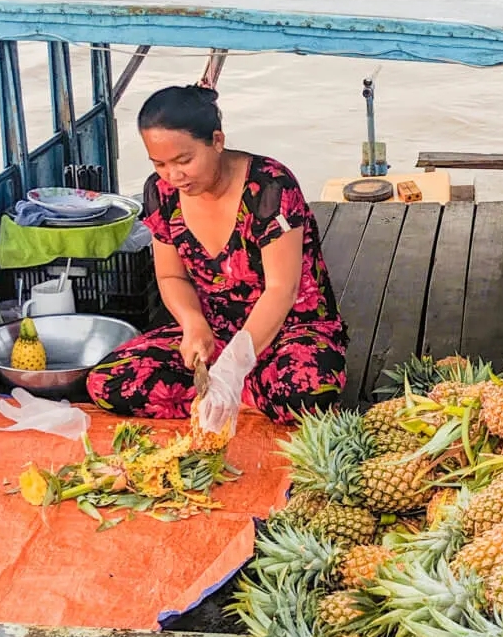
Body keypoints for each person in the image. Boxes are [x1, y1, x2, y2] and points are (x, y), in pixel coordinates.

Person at [86, 85, 348, 426]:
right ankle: (241, 401)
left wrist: (234, 368)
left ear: (217, 141)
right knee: (107, 381)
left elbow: (281, 290)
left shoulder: (270, 187)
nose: (173, 176)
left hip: (288, 331)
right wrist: (192, 323)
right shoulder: (160, 192)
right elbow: (170, 276)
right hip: (215, 333)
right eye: (160, 163)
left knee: (306, 390)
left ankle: (229, 396)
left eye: (184, 160)